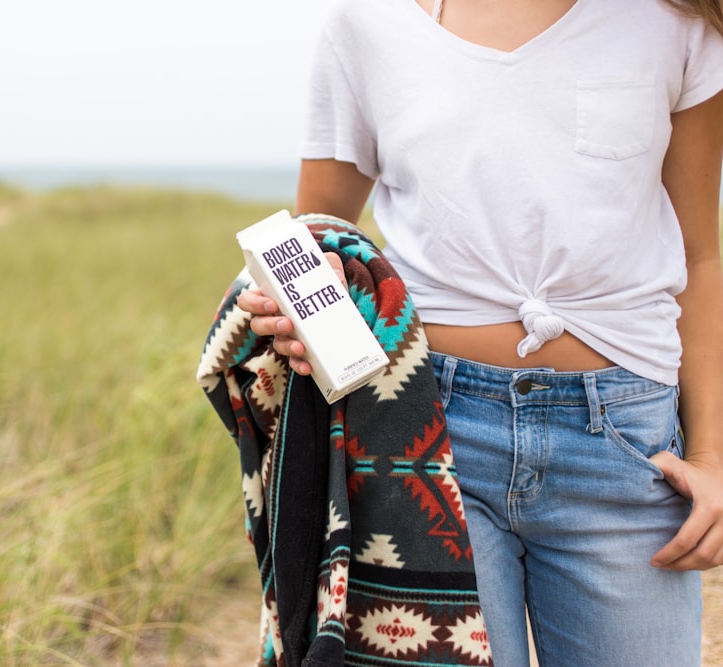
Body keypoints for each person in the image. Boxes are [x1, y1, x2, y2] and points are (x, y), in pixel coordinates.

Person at [237, 0, 723, 664]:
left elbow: (700, 255)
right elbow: (325, 241)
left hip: (624, 446)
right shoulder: (366, 25)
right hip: (426, 436)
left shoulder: (674, 22)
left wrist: (714, 457)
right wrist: (302, 307)